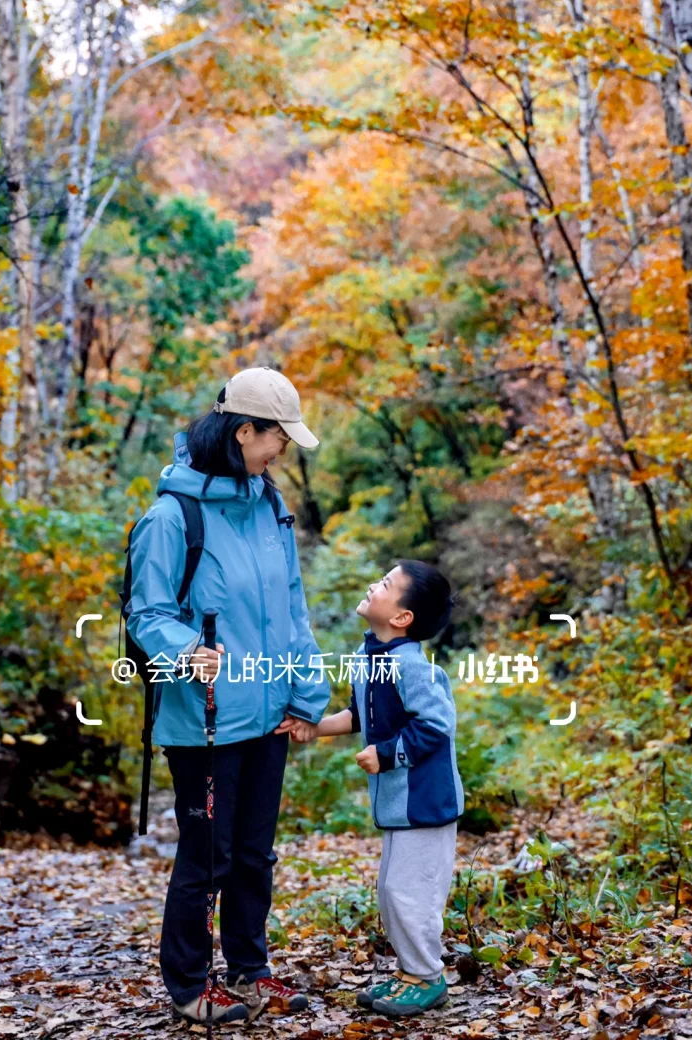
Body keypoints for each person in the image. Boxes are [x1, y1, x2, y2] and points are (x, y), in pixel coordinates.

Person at [125, 366, 331, 1025]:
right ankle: (189, 986)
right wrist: (188, 651)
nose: (283, 452)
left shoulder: (270, 507)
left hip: (268, 717)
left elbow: (292, 613)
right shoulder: (170, 517)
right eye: (278, 439)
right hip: (204, 722)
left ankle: (250, 968)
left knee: (253, 854)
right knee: (207, 857)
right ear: (244, 431)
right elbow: (147, 613)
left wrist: (307, 693)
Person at [289, 559, 463, 1019]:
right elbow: (360, 716)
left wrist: (387, 754)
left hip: (426, 802)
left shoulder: (410, 666)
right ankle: (410, 972)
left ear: (402, 617)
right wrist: (313, 726)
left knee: (411, 895)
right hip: (398, 805)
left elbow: (438, 725)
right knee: (391, 893)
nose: (374, 583)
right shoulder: (371, 658)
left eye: (386, 583)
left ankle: (427, 976)